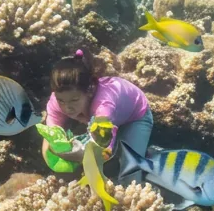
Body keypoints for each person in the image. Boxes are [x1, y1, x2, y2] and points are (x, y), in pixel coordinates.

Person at [43, 49, 153, 183]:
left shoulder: (103, 105)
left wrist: (79, 156)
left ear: (89, 91)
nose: (67, 108)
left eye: (74, 100)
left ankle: (151, 158)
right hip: (96, 117)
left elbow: (104, 151)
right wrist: (52, 152)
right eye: (61, 101)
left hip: (136, 116)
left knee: (130, 168)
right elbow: (51, 135)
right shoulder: (55, 100)